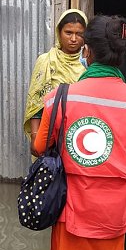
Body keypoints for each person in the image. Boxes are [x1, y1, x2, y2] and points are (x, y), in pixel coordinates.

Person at [33, 15, 126, 250]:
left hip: (72, 208)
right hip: (113, 211)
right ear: (121, 55)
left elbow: (39, 147)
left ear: (87, 51)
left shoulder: (59, 97)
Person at [23, 9, 88, 155]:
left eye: (79, 34)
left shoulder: (88, 64)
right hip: (51, 133)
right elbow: (37, 102)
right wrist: (35, 137)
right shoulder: (46, 61)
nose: (73, 39)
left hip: (80, 132)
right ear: (59, 32)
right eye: (68, 32)